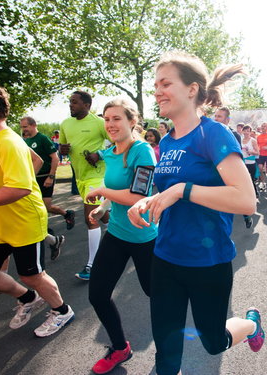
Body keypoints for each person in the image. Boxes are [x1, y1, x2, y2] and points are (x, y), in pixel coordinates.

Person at [127, 51, 264, 375]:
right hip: (165, 257)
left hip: (208, 262)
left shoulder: (213, 133)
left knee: (213, 342)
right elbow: (172, 188)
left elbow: (247, 201)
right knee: (166, 350)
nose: (157, 91)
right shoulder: (169, 140)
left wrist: (181, 190)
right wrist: (147, 201)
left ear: (191, 89)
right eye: (155, 84)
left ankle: (250, 324)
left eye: (165, 83)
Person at [0, 77, 74, 337]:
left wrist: (25, 182)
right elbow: (34, 159)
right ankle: (28, 298)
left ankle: (62, 310)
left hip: (23, 221)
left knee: (32, 274)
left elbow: (19, 188)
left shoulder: (7, 140)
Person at [84, 98, 158, 374]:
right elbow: (113, 183)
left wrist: (101, 194)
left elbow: (137, 195)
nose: (111, 124)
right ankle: (119, 348)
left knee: (156, 294)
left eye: (117, 118)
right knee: (98, 294)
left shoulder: (143, 151)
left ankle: (169, 347)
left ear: (132, 121)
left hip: (144, 236)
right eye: (106, 119)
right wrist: (103, 207)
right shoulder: (110, 150)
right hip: (116, 232)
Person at [59, 90, 109, 280]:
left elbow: (116, 144)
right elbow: (62, 148)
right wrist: (62, 150)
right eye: (70, 102)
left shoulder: (98, 123)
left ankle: (92, 265)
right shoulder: (65, 123)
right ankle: (128, 235)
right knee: (104, 217)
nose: (70, 105)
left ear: (86, 105)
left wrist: (100, 154)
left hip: (97, 177)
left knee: (91, 218)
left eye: (74, 102)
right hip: (79, 177)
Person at [20, 117, 75, 258]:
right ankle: (56, 227)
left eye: (26, 126)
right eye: (22, 127)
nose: (23, 129)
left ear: (33, 125)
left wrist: (51, 176)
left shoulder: (42, 138)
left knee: (44, 208)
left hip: (45, 177)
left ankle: (57, 229)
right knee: (39, 210)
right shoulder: (25, 140)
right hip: (34, 179)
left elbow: (55, 158)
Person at [256, 123, 267, 191]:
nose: (263, 127)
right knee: (260, 168)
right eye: (262, 126)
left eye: (264, 126)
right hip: (260, 155)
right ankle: (263, 183)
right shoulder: (258, 136)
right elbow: (257, 145)